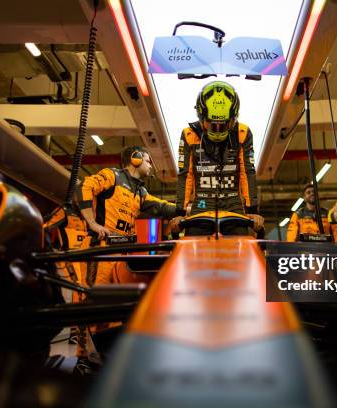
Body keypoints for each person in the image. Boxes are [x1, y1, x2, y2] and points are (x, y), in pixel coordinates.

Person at [171, 81, 263, 235]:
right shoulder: (189, 134)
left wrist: (252, 209)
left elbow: (247, 172)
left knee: (242, 252)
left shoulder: (243, 132)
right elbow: (185, 175)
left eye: (224, 124)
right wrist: (179, 213)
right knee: (191, 251)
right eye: (212, 124)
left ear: (233, 119)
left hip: (233, 203)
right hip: (201, 203)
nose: (218, 129)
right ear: (201, 117)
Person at [77, 146, 180, 284]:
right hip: (101, 248)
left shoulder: (141, 192)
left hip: (123, 252)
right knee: (96, 298)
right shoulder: (112, 176)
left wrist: (188, 209)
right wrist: (92, 223)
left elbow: (162, 207)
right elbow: (84, 186)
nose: (150, 166)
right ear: (135, 158)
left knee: (119, 298)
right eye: (148, 161)